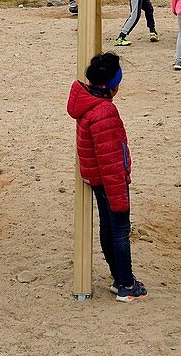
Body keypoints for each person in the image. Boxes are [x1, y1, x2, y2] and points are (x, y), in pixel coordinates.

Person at [67, 52, 147, 303]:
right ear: (112, 86)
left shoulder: (88, 104)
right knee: (120, 230)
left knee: (108, 227)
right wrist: (120, 195)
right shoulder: (104, 112)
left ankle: (118, 277)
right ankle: (125, 283)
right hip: (111, 181)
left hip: (98, 180)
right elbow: (110, 159)